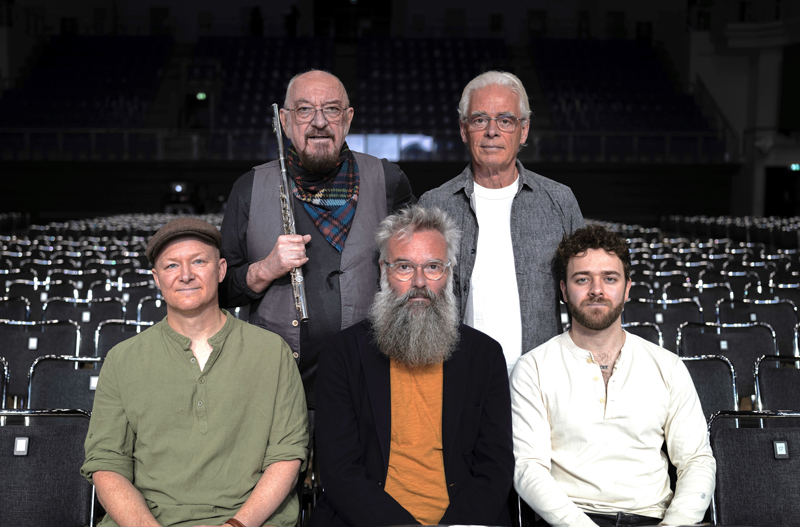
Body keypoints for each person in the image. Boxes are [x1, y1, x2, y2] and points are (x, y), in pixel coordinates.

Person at [82, 218, 308, 527]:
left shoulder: (272, 352)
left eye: (198, 261)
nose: (186, 275)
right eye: (171, 266)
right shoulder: (122, 359)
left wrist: (237, 525)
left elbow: (287, 455)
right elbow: (107, 464)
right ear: (156, 278)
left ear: (221, 270)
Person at [219, 69, 414, 409]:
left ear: (348, 119)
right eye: (304, 110)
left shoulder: (389, 180)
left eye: (332, 110)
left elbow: (414, 272)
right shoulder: (249, 188)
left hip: (369, 381)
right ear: (284, 119)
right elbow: (221, 290)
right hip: (277, 385)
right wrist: (265, 269)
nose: (319, 122)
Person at [310, 205, 514, 527]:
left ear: (449, 272)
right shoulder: (342, 354)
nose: (420, 282)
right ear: (383, 271)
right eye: (404, 267)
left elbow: (495, 467)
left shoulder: (485, 356)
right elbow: (340, 471)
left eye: (433, 267)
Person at [511, 225, 716, 527]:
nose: (597, 290)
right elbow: (528, 467)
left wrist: (677, 523)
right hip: (573, 520)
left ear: (627, 288)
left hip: (655, 519)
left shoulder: (667, 366)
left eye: (610, 278)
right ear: (564, 290)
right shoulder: (533, 368)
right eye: (583, 279)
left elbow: (696, 460)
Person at [419, 70, 584, 374]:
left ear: (523, 131)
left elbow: (583, 295)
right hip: (460, 380)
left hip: (542, 382)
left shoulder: (560, 201)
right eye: (480, 120)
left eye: (505, 120)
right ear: (463, 129)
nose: (492, 131)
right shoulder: (433, 205)